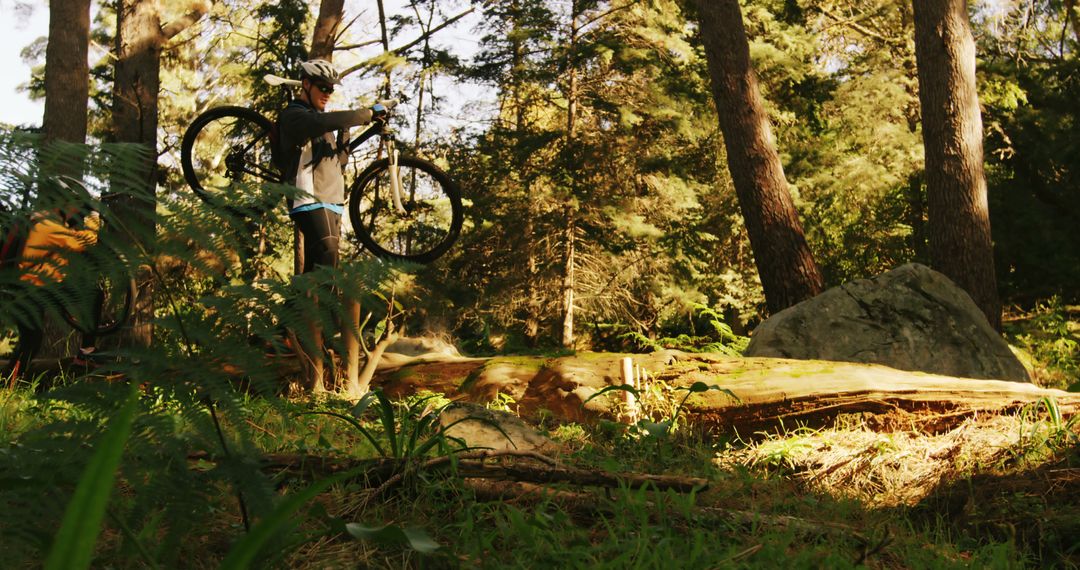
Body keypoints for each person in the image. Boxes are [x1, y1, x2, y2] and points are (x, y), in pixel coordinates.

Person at [277, 59, 388, 273]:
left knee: (319, 270)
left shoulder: (320, 123)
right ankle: (323, 308)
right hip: (310, 197)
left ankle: (294, 307)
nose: (328, 93)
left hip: (332, 200)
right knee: (327, 261)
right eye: (323, 87)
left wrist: (344, 130)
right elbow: (319, 123)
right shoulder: (295, 115)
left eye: (331, 89)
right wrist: (366, 114)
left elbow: (338, 163)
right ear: (306, 85)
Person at [1, 178, 102, 381]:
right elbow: (81, 243)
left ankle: (8, 385)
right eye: (75, 207)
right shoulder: (49, 226)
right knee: (94, 293)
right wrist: (93, 221)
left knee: (31, 341)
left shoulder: (36, 219)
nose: (77, 212)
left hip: (21, 289)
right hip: (36, 289)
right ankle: (86, 353)